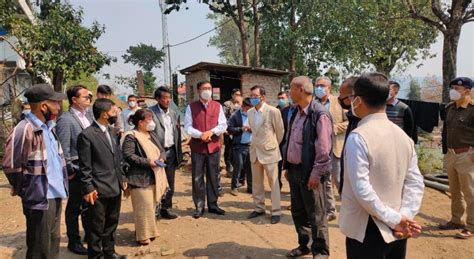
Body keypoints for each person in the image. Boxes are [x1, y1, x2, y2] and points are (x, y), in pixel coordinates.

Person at [339, 72, 424, 259]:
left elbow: (362, 189)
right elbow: (415, 182)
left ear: (358, 100)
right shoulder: (403, 137)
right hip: (398, 227)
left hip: (367, 228)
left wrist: (395, 219)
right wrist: (405, 215)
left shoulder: (359, 136)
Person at [2, 83, 68, 259]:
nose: (58, 106)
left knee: (52, 243)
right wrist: (27, 190)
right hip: (40, 197)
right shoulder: (24, 129)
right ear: (44, 106)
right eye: (55, 103)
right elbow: (11, 165)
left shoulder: (50, 128)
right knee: (39, 247)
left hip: (55, 194)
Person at [284, 76, 333, 258]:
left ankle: (320, 252)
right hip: (295, 171)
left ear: (301, 90)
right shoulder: (296, 111)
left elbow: (323, 149)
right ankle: (304, 245)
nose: (289, 92)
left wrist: (316, 173)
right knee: (298, 212)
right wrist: (288, 167)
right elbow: (291, 141)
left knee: (316, 215)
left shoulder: (319, 114)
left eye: (291, 89)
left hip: (311, 173)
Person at [77, 98, 127, 259]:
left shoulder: (112, 132)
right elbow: (85, 166)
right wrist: (89, 188)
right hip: (98, 189)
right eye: (113, 111)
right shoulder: (87, 135)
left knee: (112, 222)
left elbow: (117, 157)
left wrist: (122, 177)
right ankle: (96, 254)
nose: (116, 114)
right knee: (96, 225)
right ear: (105, 114)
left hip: (115, 185)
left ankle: (109, 251)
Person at [122, 109, 169, 245]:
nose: (152, 122)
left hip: (154, 175)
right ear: (141, 122)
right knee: (143, 207)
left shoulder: (151, 134)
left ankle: (150, 232)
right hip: (139, 177)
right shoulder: (131, 136)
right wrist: (148, 161)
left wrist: (161, 158)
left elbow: (161, 150)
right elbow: (129, 155)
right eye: (149, 120)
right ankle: (142, 236)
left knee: (151, 206)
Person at [56, 84, 93, 255]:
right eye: (85, 97)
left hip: (90, 168)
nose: (89, 99)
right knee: (74, 207)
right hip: (76, 170)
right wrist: (70, 171)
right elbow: (63, 148)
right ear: (74, 100)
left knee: (89, 204)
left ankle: (89, 236)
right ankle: (73, 240)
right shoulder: (66, 119)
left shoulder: (89, 116)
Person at [184, 80, 227, 219]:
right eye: (204, 88)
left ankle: (213, 205)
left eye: (209, 88)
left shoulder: (217, 106)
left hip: (214, 146)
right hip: (198, 147)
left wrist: (211, 132)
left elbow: (223, 124)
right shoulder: (191, 107)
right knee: (197, 177)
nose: (207, 90)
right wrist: (200, 134)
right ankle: (199, 206)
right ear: (198, 91)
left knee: (214, 176)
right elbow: (187, 127)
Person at [438, 77, 474, 239]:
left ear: (468, 91)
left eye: (458, 89)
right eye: (452, 87)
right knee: (454, 190)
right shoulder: (449, 108)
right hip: (451, 154)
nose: (453, 91)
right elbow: (446, 130)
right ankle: (456, 220)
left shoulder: (472, 109)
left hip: (468, 155)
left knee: (470, 192)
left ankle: (472, 226)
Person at [247, 85, 284, 224]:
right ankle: (259, 208)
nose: (253, 99)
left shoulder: (273, 111)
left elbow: (280, 132)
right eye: (251, 96)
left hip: (270, 152)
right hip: (255, 151)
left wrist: (272, 145)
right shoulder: (250, 112)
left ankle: (276, 211)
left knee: (273, 183)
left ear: (263, 97)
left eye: (255, 96)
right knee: (256, 183)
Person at [314, 76, 348, 221]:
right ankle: (330, 210)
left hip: (335, 146)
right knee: (325, 180)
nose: (319, 88)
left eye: (322, 85)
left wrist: (332, 128)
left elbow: (349, 122)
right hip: (320, 148)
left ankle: (348, 208)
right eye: (317, 85)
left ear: (329, 88)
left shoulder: (338, 103)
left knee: (338, 179)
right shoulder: (313, 103)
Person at [150, 86, 183, 220]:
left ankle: (166, 208)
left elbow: (178, 134)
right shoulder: (150, 113)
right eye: (164, 98)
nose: (167, 100)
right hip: (156, 153)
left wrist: (179, 153)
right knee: (155, 181)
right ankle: (154, 209)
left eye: (169, 98)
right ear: (157, 99)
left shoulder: (174, 113)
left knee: (170, 182)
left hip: (171, 151)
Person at [337, 76, 360, 194]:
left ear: (353, 97)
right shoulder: (353, 117)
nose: (339, 98)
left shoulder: (362, 122)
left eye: (342, 95)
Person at [227, 97, 254, 196]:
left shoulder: (254, 115)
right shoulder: (235, 115)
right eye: (247, 108)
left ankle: (250, 187)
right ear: (243, 106)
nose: (249, 110)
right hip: (239, 146)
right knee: (238, 167)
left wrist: (253, 129)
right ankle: (234, 187)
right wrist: (241, 129)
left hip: (251, 145)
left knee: (250, 168)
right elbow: (229, 128)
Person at [223, 88, 242, 175]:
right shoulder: (227, 104)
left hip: (238, 131)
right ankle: (229, 167)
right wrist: (226, 129)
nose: (238, 96)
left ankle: (236, 168)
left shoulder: (241, 105)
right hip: (229, 131)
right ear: (232, 95)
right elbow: (223, 118)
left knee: (236, 149)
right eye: (236, 95)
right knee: (229, 149)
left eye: (239, 95)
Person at [276, 90, 290, 189]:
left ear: (287, 98)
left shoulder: (291, 110)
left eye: (283, 98)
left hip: (289, 142)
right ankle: (278, 184)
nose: (281, 100)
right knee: (277, 165)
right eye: (279, 98)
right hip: (278, 142)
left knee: (290, 166)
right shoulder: (275, 110)